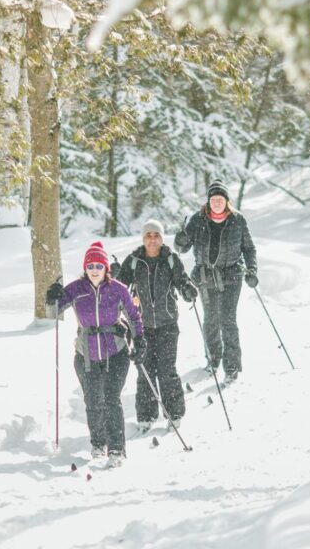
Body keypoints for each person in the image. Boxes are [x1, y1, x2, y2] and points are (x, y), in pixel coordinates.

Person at [46, 241, 145, 467]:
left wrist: (139, 340)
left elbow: (134, 316)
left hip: (116, 352)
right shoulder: (75, 289)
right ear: (85, 267)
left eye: (98, 266)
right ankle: (98, 444)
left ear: (105, 268)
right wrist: (51, 296)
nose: (94, 270)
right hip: (86, 355)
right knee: (92, 401)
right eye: (90, 265)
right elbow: (54, 312)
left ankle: (117, 450)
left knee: (111, 398)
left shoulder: (118, 289)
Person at [114, 219, 198, 434]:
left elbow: (182, 280)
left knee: (167, 370)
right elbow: (119, 287)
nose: (152, 239)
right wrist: (114, 276)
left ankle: (174, 413)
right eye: (148, 235)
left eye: (156, 235)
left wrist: (188, 289)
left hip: (168, 324)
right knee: (145, 371)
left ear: (161, 238)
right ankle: (146, 415)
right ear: (143, 238)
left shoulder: (170, 259)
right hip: (140, 326)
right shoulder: (133, 260)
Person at [174, 179, 258, 385]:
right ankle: (213, 360)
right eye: (214, 199)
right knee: (211, 319)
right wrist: (181, 239)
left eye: (220, 199)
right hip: (204, 277)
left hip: (232, 276)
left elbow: (249, 249)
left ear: (226, 201)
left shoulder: (238, 220)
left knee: (227, 319)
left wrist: (252, 270)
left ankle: (231, 367)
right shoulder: (198, 219)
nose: (217, 202)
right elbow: (182, 249)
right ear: (209, 201)